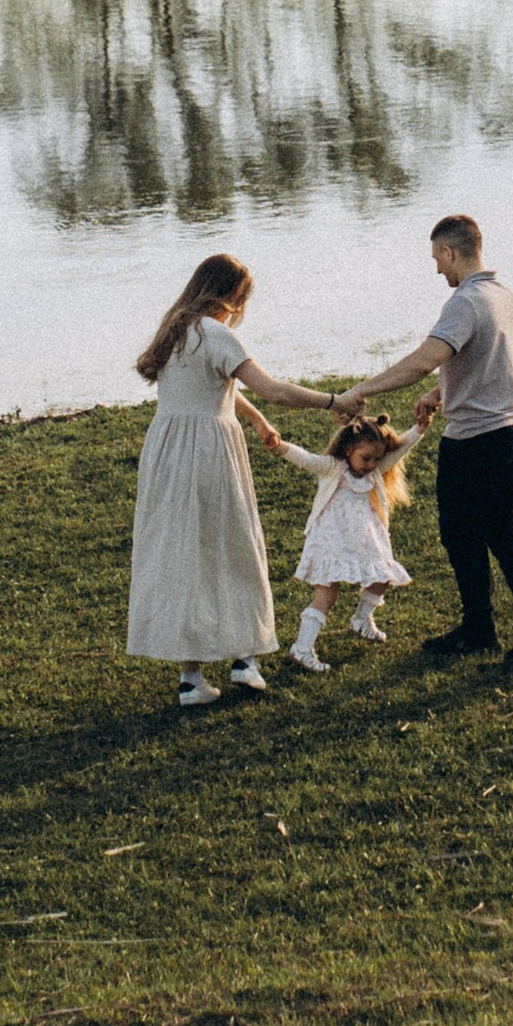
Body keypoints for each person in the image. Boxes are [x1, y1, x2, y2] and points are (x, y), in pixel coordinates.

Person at [126, 253, 334, 710]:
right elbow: (272, 388)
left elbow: (216, 387)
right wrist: (331, 401)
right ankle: (245, 658)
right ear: (232, 298)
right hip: (208, 449)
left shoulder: (175, 331)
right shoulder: (218, 334)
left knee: (183, 553)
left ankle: (191, 677)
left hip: (166, 449)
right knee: (235, 545)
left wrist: (257, 421)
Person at [348, 213, 513, 663]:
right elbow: (486, 357)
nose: (437, 269)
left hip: (480, 441)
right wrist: (441, 390)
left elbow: (424, 358)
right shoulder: (503, 295)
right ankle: (479, 628)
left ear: (450, 251)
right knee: (465, 533)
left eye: (437, 259)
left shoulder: (465, 302)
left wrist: (362, 390)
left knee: (495, 531)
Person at [243, 405, 418, 668]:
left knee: (382, 577)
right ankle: (302, 648)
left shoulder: (374, 473)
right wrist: (279, 446)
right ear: (349, 450)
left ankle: (361, 619)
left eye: (375, 459)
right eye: (366, 458)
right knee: (327, 594)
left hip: (366, 541)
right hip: (331, 542)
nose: (371, 465)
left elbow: (402, 448)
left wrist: (421, 427)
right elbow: (305, 459)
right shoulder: (332, 469)